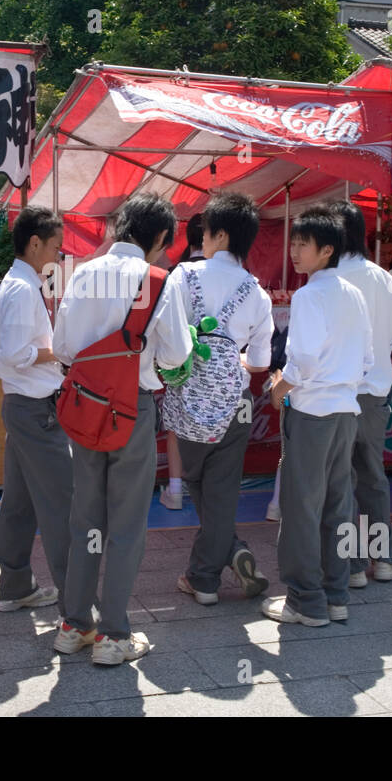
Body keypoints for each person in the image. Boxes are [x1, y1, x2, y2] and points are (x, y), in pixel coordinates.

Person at [51, 194, 193, 664]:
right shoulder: (157, 281)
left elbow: (63, 347)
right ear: (158, 238)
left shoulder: (83, 273)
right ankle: (114, 634)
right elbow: (175, 357)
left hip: (84, 410)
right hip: (133, 412)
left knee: (86, 520)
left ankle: (74, 625)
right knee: (127, 526)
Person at [263, 206, 372, 626]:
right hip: (345, 410)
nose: (294, 251)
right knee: (336, 505)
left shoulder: (310, 295)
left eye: (302, 244)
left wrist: (279, 389)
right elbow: (366, 358)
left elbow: (303, 360)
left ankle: (306, 600)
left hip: (312, 412)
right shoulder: (353, 293)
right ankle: (335, 594)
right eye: (294, 242)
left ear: (326, 249)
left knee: (302, 508)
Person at [163, 193, 273, 605]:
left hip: (188, 401)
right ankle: (214, 567)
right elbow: (260, 362)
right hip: (235, 405)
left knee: (197, 482)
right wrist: (236, 359)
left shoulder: (183, 277)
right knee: (223, 490)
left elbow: (167, 339)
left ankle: (205, 576)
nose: (202, 239)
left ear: (221, 234)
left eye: (206, 231)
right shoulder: (256, 292)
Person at [0, 208, 72, 613]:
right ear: (35, 243)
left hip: (25, 406)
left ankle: (15, 584)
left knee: (20, 501)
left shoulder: (18, 284)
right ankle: (77, 601)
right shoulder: (23, 289)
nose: (58, 256)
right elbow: (15, 354)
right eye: (56, 247)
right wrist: (61, 350)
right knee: (62, 500)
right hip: (35, 408)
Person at [327, 200, 392, 585]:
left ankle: (352, 566)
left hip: (336, 392)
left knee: (340, 480)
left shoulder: (327, 279)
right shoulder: (382, 278)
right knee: (373, 475)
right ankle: (383, 559)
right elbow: (390, 338)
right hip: (373, 389)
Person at [160, 214, 207, 511]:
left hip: (180, 363)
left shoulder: (175, 273)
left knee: (176, 427)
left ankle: (176, 490)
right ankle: (203, 490)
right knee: (213, 428)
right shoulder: (233, 273)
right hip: (221, 368)